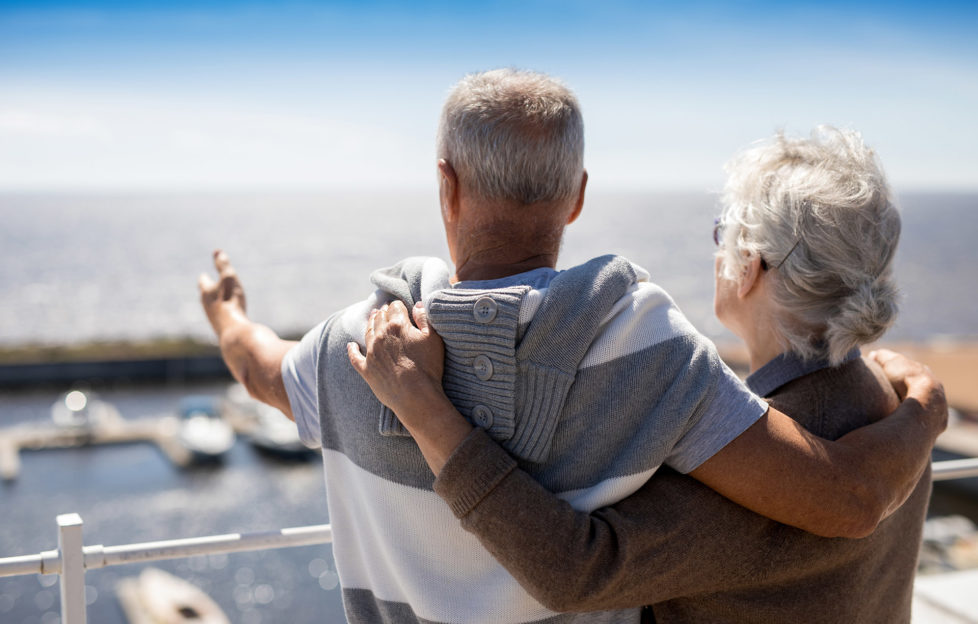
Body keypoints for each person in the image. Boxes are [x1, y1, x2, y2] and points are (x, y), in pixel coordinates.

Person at [199, 69, 945, 624]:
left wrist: (231, 319)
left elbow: (577, 569)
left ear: (446, 187)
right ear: (577, 195)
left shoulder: (353, 347)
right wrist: (925, 411)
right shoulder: (670, 364)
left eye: (724, 239)